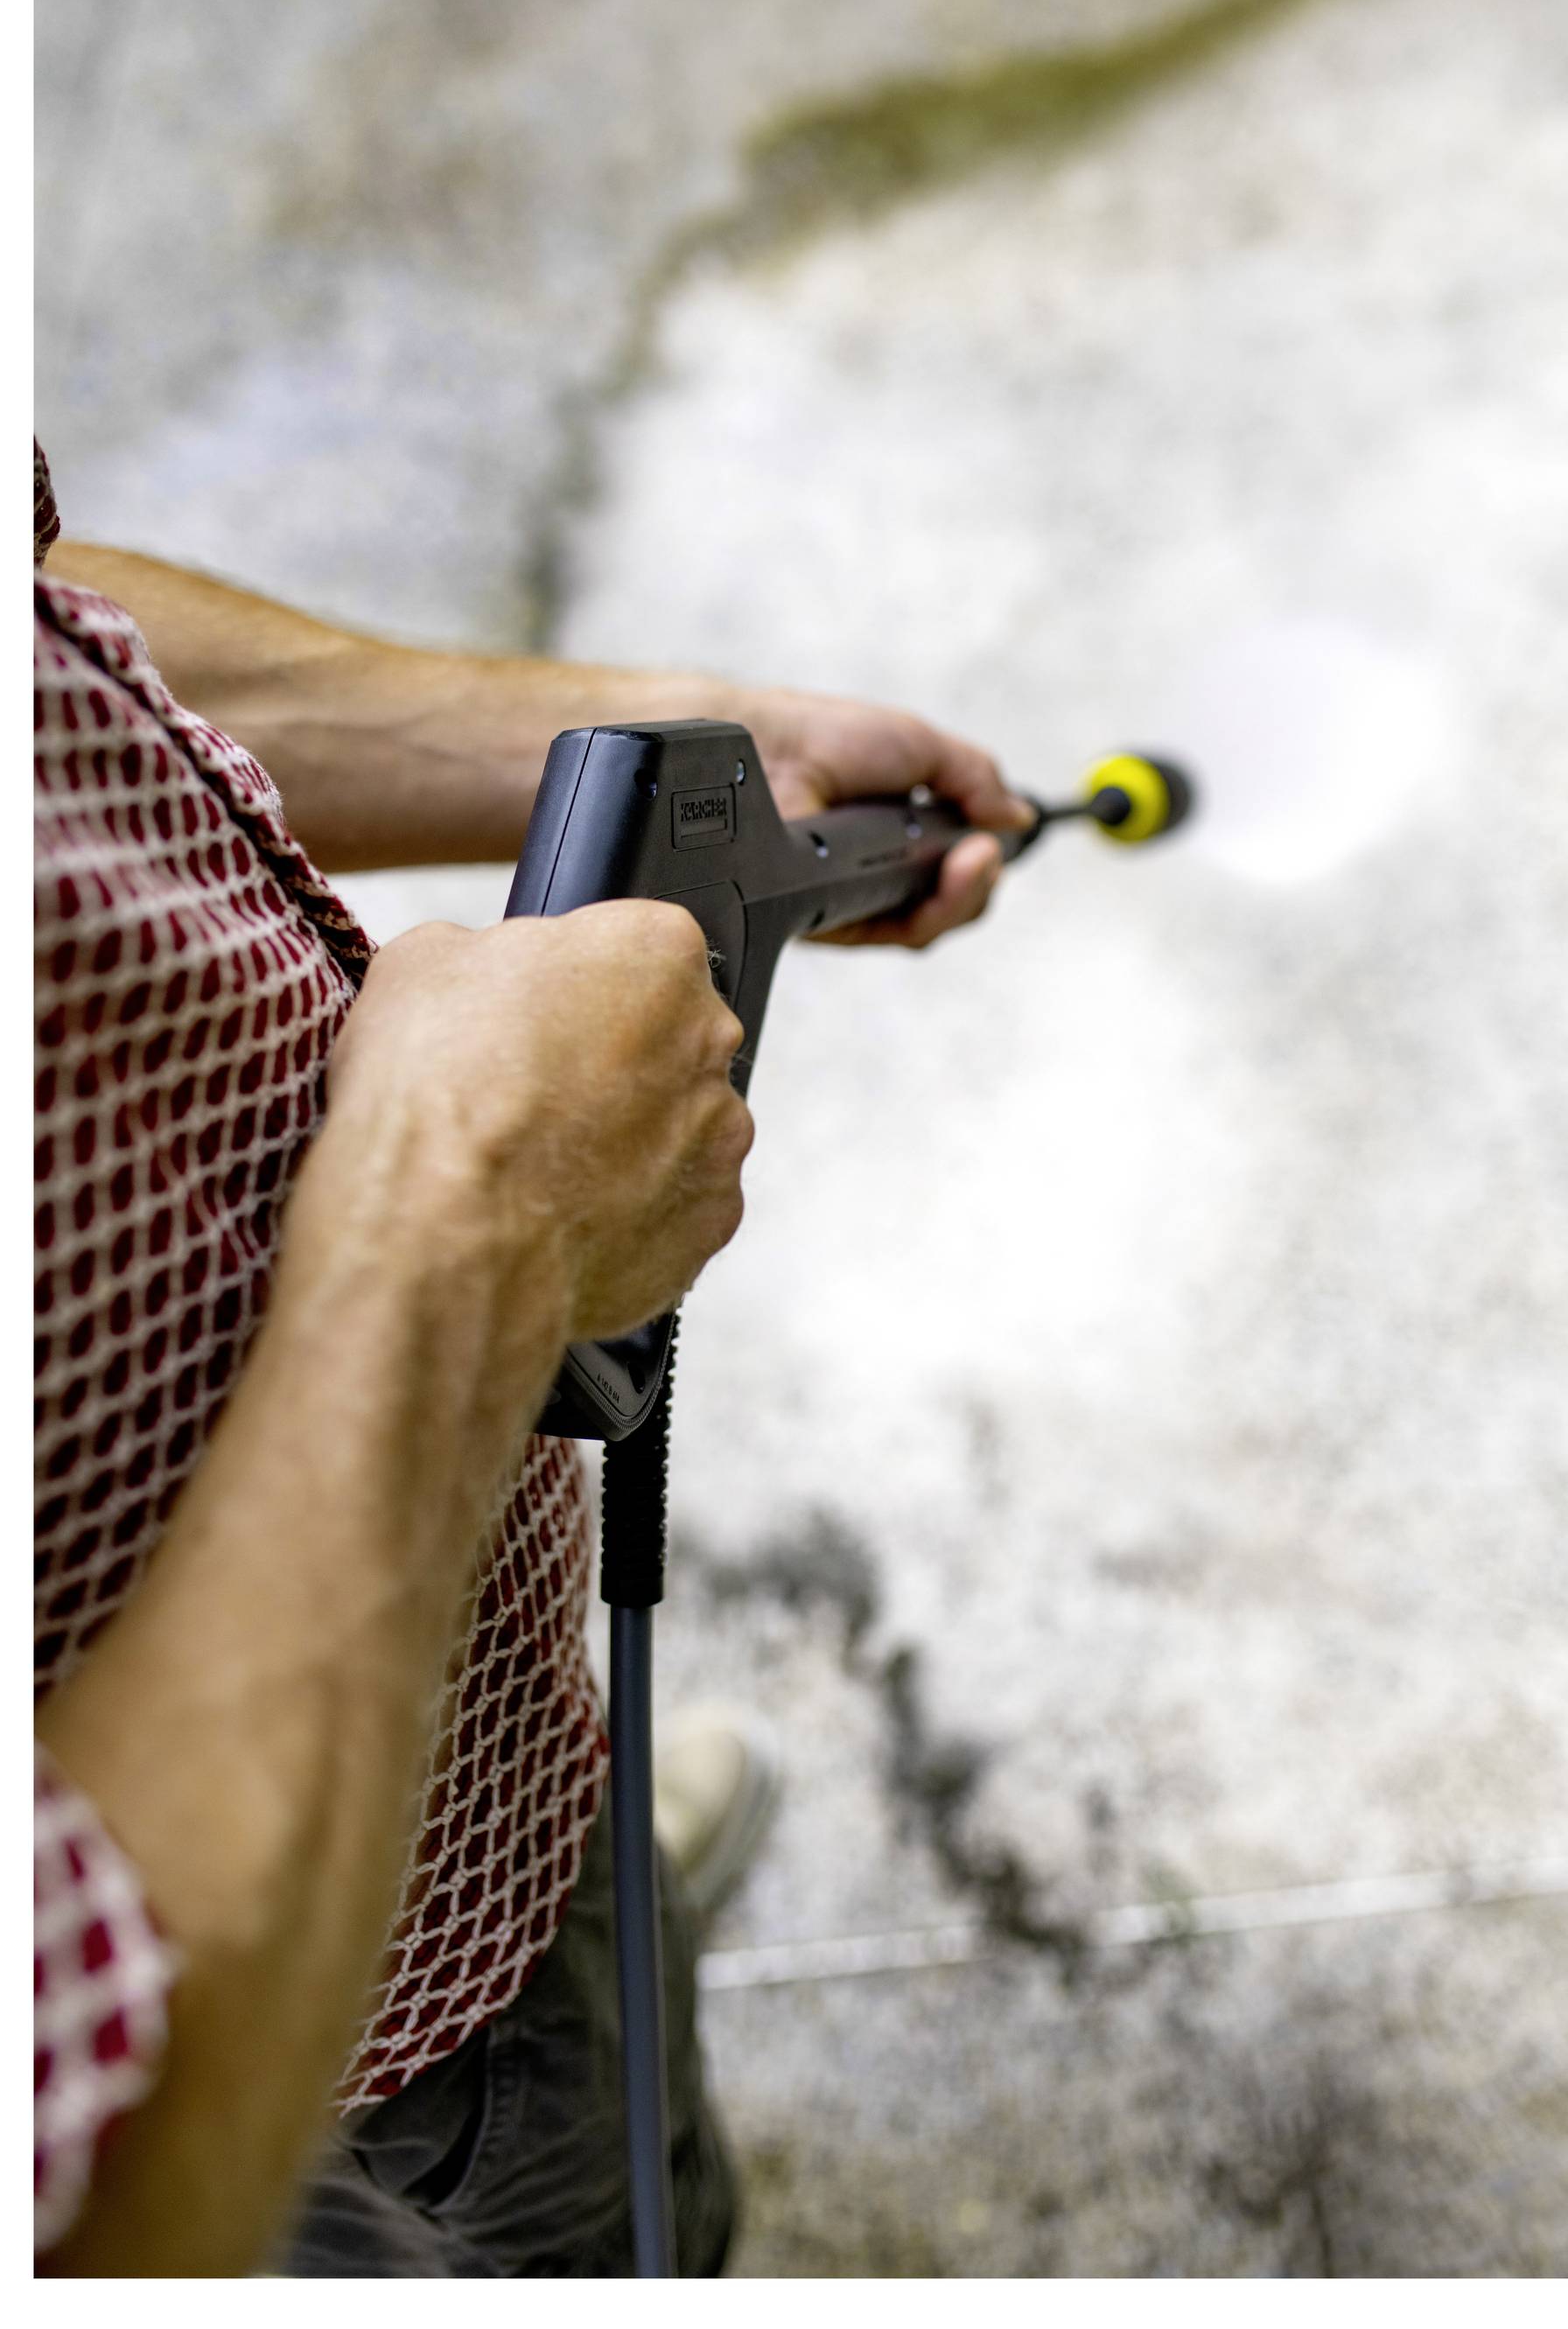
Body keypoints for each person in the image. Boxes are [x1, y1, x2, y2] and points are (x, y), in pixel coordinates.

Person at [32, 439, 1031, 2276]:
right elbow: (85, 2133)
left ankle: (572, 1843)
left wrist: (666, 748)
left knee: (562, 1901)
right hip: (355, 1988)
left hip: (464, 1752)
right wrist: (469, 1217)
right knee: (564, 2219)